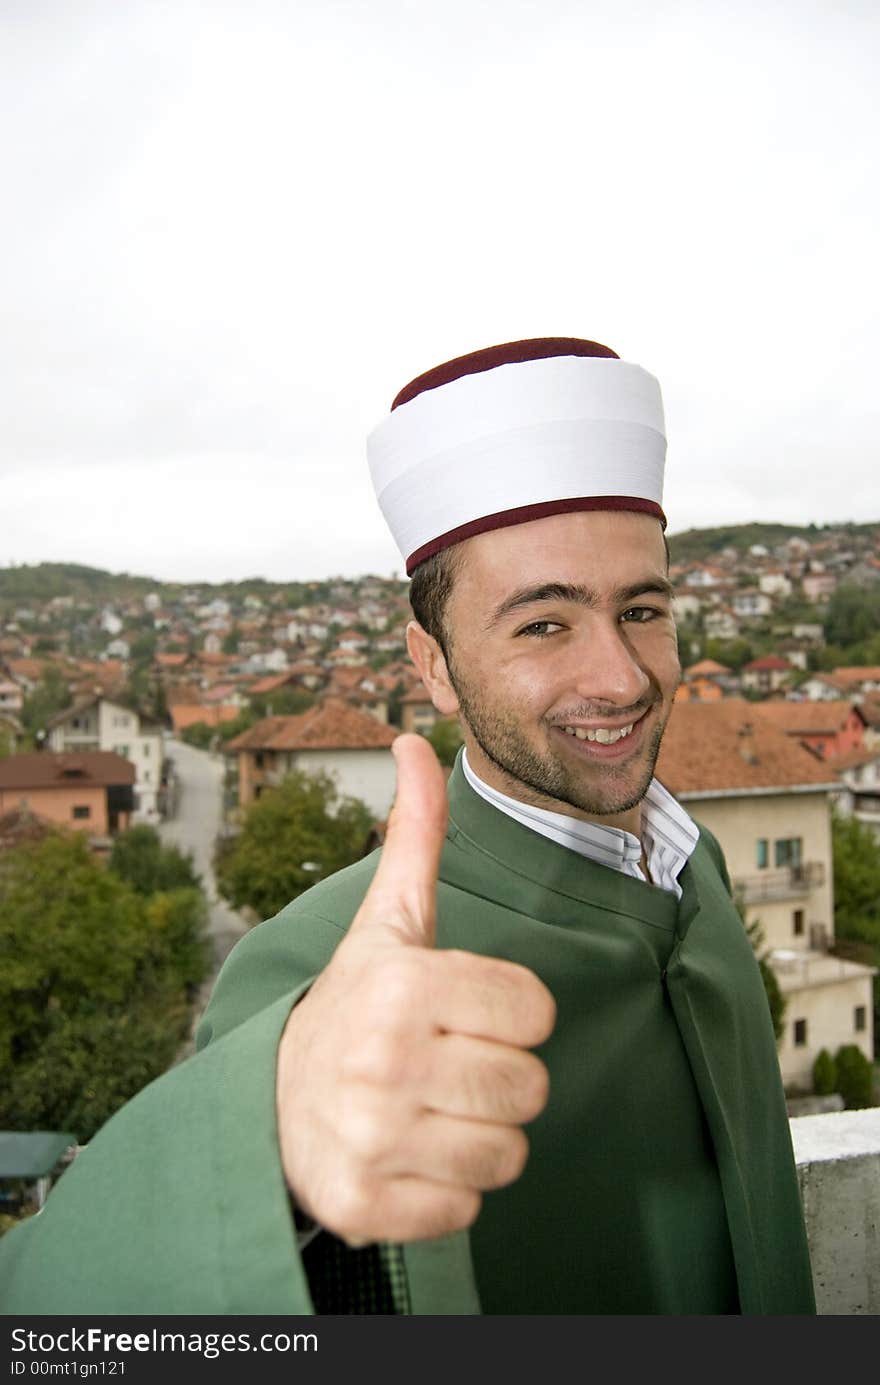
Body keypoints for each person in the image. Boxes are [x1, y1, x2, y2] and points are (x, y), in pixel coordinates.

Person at [0, 337, 816, 1316]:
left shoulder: (697, 863)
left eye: (641, 608)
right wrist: (265, 1152)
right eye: (543, 623)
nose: (622, 675)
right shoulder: (314, 961)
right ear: (429, 664)